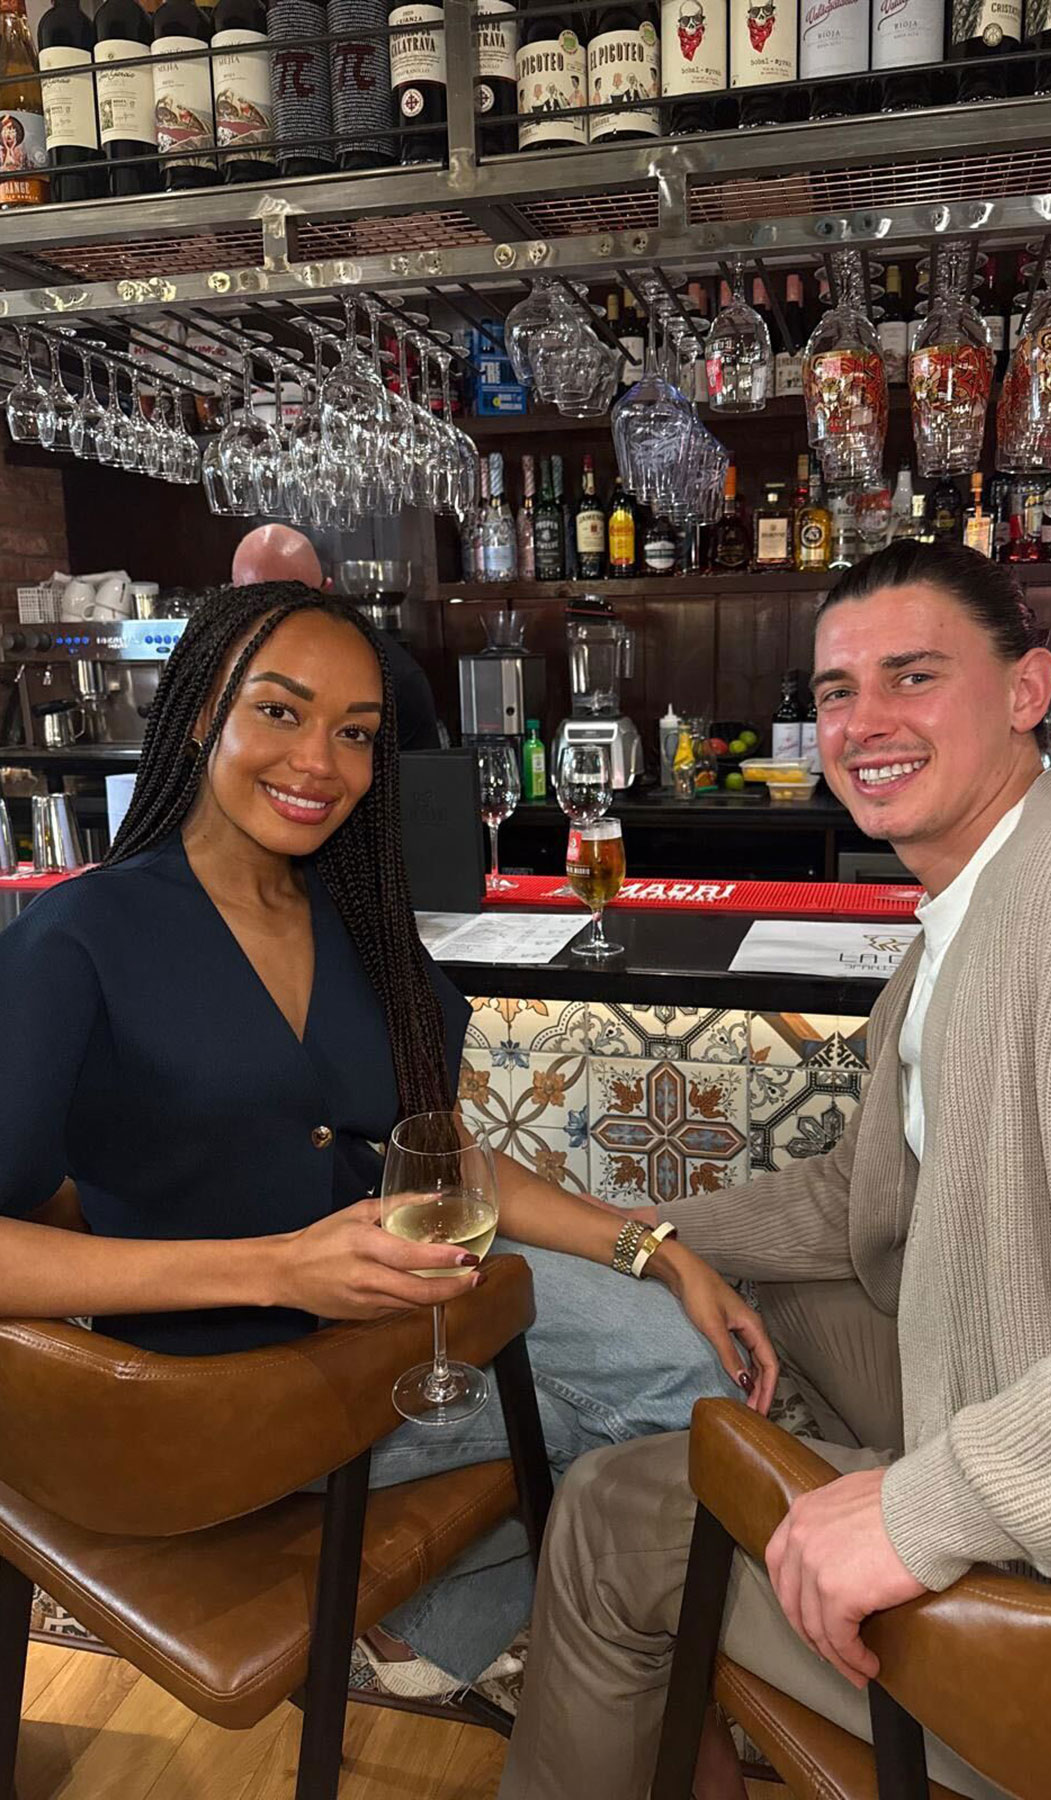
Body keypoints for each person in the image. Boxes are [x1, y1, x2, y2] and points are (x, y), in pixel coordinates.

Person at [498, 540, 1051, 1800]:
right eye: (834, 691)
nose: (864, 723)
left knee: (608, 1518)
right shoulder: (979, 903)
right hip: (1020, 1417)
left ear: (1031, 688)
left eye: (914, 676)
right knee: (720, 1312)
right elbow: (856, 1199)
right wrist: (638, 1229)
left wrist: (921, 1510)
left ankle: (735, 1579)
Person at [0, 582, 777, 1704]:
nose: (320, 761)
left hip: (395, 1319)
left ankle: (486, 1639)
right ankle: (566, 1657)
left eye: (356, 733)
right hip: (221, 1400)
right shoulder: (74, 941)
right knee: (620, 1437)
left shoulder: (349, 918)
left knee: (684, 1363)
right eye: (279, 711)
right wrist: (276, 1266)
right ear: (200, 712)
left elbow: (443, 1159)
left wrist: (658, 1247)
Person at [231, 524, 441, 753]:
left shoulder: (393, 676)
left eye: (352, 733)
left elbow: (420, 783)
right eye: (256, 603)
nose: (273, 619)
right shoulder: (217, 668)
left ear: (326, 593)